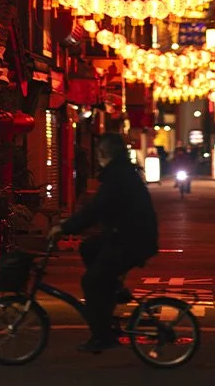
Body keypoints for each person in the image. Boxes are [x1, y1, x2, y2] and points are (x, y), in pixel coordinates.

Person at [49, 132, 159, 354]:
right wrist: (69, 224)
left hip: (132, 240)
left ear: (103, 154)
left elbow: (96, 209)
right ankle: (113, 288)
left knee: (92, 281)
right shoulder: (120, 173)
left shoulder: (117, 177)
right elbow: (98, 208)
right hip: (129, 235)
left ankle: (102, 336)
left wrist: (65, 227)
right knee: (89, 247)